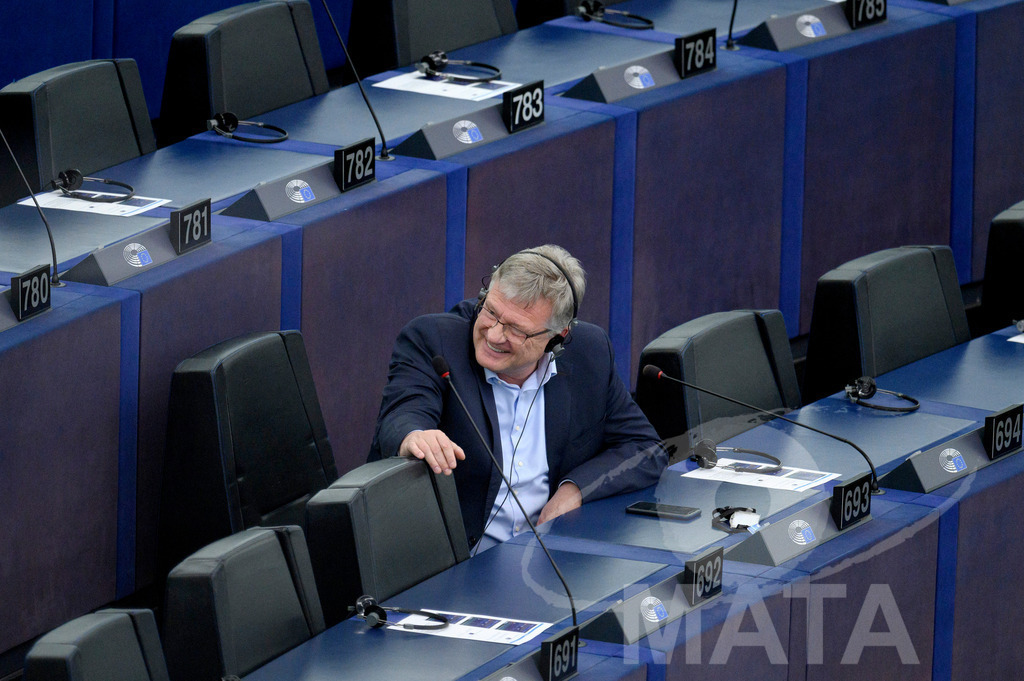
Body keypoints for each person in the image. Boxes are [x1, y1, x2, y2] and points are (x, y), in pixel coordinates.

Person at [369, 245, 666, 550]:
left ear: (558, 336)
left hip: (548, 563)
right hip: (456, 568)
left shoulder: (590, 354)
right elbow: (401, 414)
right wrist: (415, 435)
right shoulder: (434, 341)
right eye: (491, 312)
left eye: (516, 330)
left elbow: (645, 448)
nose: (494, 335)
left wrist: (575, 489)